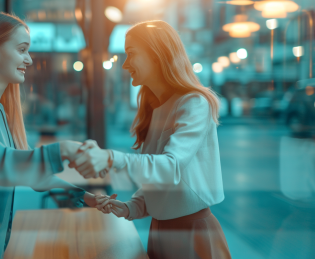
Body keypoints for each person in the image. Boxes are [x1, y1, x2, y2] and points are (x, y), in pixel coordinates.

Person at [0, 12, 110, 259]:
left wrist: (86, 197)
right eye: (22, 50)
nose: (30, 60)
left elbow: (26, 171)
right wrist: (64, 149)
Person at [71, 20, 232, 259]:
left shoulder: (194, 103)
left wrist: (110, 158)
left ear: (157, 55)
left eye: (131, 54)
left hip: (191, 233)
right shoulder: (154, 109)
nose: (125, 64)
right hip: (160, 231)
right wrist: (129, 208)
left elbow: (171, 167)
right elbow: (158, 183)